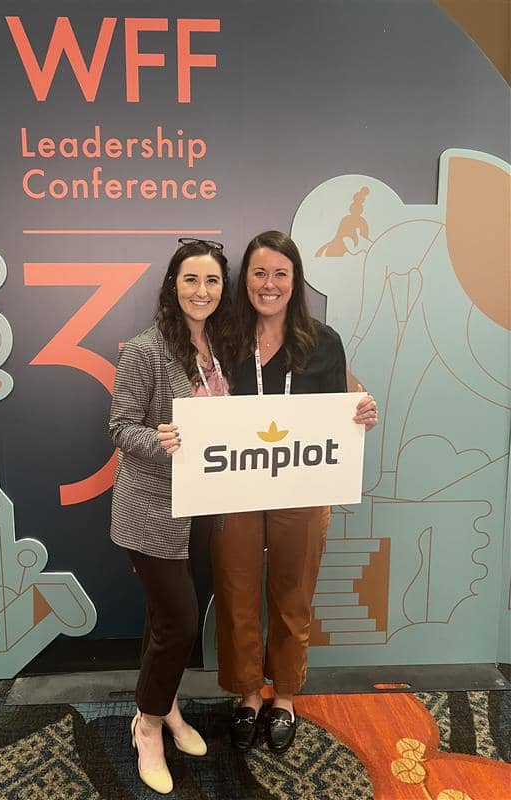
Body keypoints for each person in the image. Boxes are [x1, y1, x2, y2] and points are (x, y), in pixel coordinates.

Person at [210, 230, 378, 754]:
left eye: (280, 273)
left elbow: (343, 403)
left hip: (303, 486)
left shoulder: (322, 341)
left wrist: (361, 412)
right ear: (245, 282)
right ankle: (246, 695)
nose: (269, 284)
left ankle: (283, 696)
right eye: (259, 273)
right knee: (237, 591)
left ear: (295, 280)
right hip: (235, 484)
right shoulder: (223, 339)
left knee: (292, 592)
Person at [108, 238, 232, 794]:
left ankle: (167, 703)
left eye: (211, 281)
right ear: (172, 285)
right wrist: (163, 443)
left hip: (202, 509)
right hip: (154, 512)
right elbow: (120, 428)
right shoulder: (146, 348)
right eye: (190, 280)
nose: (201, 291)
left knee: (167, 621)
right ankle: (149, 725)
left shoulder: (225, 345)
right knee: (180, 622)